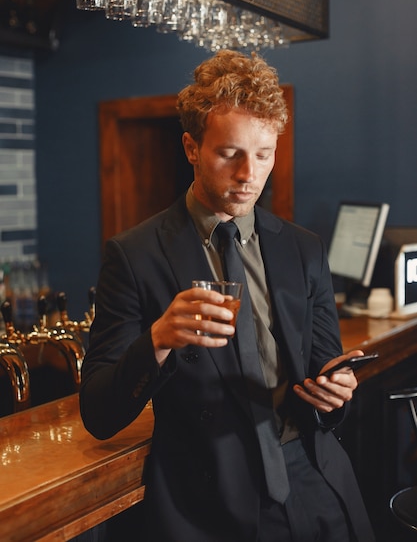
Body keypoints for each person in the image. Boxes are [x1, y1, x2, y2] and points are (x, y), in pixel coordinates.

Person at [80, 49, 375, 542]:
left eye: (264, 155)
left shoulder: (303, 249)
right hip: (209, 503)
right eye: (229, 153)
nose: (249, 175)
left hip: (316, 478)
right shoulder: (134, 255)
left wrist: (334, 394)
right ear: (192, 148)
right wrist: (157, 338)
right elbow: (99, 413)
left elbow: (327, 366)